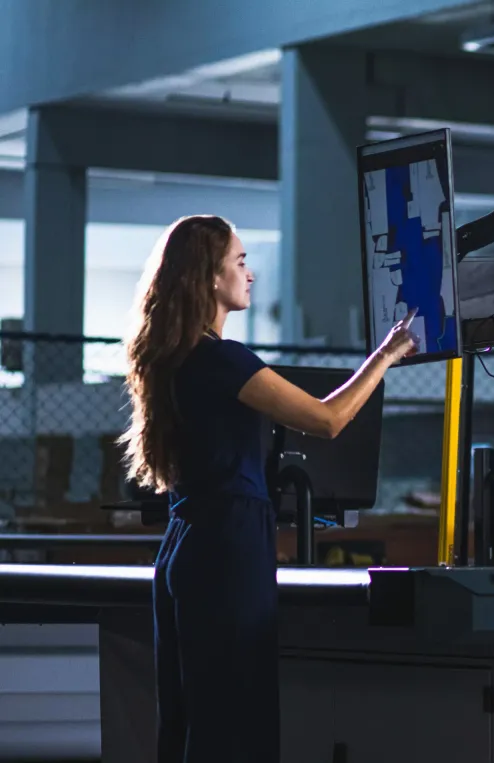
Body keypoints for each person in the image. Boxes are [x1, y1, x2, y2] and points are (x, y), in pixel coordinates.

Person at [118, 214, 416, 763]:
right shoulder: (223, 360)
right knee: (234, 720)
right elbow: (327, 420)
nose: (250, 275)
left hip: (186, 544)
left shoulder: (175, 361)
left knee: (192, 718)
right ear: (210, 276)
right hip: (229, 546)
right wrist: (386, 357)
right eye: (240, 261)